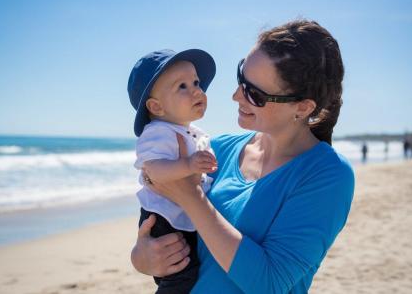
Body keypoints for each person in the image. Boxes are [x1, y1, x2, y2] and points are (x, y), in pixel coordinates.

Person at [130, 19, 355, 293]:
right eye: (241, 79)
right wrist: (142, 257)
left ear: (303, 107)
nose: (236, 96)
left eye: (254, 93)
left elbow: (270, 283)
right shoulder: (216, 149)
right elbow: (160, 204)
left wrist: (191, 197)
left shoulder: (327, 175)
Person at [127, 49, 218, 293]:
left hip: (182, 214)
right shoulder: (158, 131)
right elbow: (153, 170)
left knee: (192, 269)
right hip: (162, 218)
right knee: (179, 277)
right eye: (182, 87)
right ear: (156, 106)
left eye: (196, 83)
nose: (197, 90)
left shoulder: (193, 133)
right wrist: (188, 166)